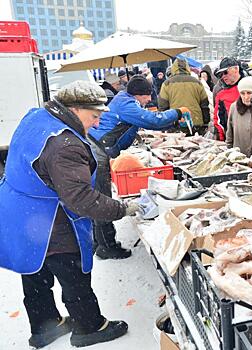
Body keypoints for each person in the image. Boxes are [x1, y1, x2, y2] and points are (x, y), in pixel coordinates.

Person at [0, 81, 141, 348]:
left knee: (35, 270)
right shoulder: (65, 144)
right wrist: (121, 209)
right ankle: (89, 326)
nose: (98, 124)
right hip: (46, 218)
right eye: (94, 116)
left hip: (19, 211)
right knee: (71, 270)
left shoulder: (39, 115)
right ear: (75, 109)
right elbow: (80, 198)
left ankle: (44, 327)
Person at [88, 75, 190, 259]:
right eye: (147, 96)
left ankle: (98, 241)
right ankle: (106, 246)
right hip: (98, 152)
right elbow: (153, 120)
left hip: (97, 147)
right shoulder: (127, 105)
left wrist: (173, 123)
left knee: (98, 197)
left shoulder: (123, 99)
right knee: (101, 199)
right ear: (138, 95)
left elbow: (146, 122)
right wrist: (177, 112)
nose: (149, 99)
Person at [213, 57, 252, 141]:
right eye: (220, 74)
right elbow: (218, 119)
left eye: (225, 72)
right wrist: (222, 139)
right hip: (236, 137)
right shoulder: (220, 92)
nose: (223, 76)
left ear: (236, 69)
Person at [158, 58, 210, 135]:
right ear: (187, 67)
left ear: (173, 68)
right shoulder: (197, 82)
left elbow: (163, 106)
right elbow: (204, 104)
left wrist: (164, 123)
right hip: (196, 122)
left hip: (176, 123)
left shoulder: (167, 84)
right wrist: (206, 122)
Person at [226, 76, 252, 157]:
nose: (246, 97)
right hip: (239, 158)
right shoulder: (234, 108)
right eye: (242, 93)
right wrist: (229, 152)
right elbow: (230, 134)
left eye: (249, 93)